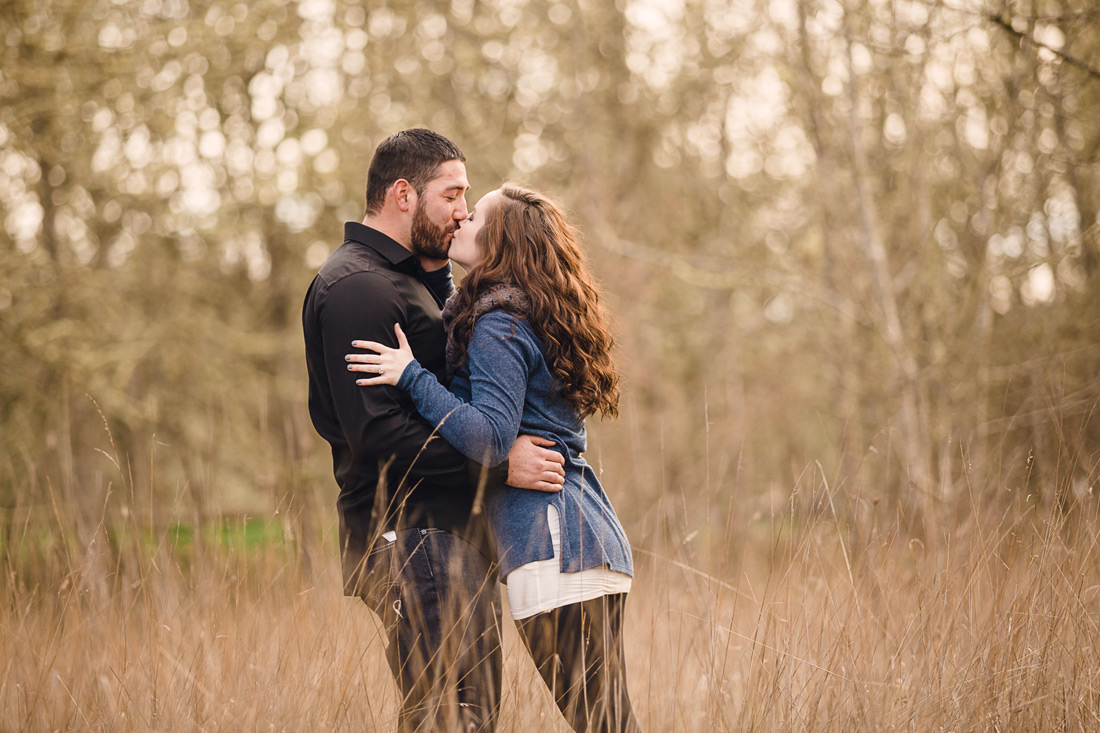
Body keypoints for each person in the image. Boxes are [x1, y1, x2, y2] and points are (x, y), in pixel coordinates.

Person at [347, 184, 642, 732]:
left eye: (475, 214)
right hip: (588, 541)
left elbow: (487, 438)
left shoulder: (500, 324)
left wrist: (411, 376)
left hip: (554, 547)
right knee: (609, 723)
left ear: (500, 241)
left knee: (604, 725)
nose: (461, 218)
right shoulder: (524, 313)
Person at [302, 130, 566, 733]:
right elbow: (377, 435)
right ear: (403, 194)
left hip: (449, 537)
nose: (463, 211)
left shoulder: (418, 281)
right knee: (450, 712)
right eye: (452, 194)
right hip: (408, 533)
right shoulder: (358, 289)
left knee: (470, 711)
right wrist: (500, 467)